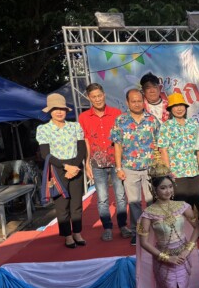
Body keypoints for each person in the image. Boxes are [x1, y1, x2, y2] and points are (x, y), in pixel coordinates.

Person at [79, 83, 130, 242]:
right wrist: (87, 164)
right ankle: (107, 228)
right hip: (96, 163)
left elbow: (122, 139)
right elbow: (86, 141)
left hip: (116, 162)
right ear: (89, 98)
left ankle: (123, 226)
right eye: (94, 97)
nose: (98, 99)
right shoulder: (83, 117)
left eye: (99, 96)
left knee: (120, 196)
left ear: (104, 95)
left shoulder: (116, 113)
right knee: (102, 198)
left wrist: (123, 163)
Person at [111, 89, 160, 245]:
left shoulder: (152, 120)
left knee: (152, 201)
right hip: (129, 167)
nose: (137, 104)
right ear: (127, 102)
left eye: (139, 101)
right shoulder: (120, 121)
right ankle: (138, 232)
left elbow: (160, 144)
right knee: (134, 202)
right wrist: (119, 168)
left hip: (150, 168)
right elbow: (117, 145)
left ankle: (153, 230)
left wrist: (161, 165)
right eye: (133, 101)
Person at [37, 93, 86, 248]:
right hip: (57, 168)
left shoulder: (75, 126)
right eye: (55, 108)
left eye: (62, 108)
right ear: (50, 111)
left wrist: (74, 167)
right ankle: (67, 235)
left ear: (66, 110)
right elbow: (45, 154)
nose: (59, 112)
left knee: (76, 203)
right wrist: (66, 167)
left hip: (76, 166)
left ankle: (77, 232)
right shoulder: (43, 129)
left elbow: (82, 149)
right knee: (62, 205)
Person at [158, 92, 199, 214]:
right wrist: (168, 172)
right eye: (175, 106)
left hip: (194, 171)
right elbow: (163, 150)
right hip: (177, 173)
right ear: (170, 109)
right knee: (181, 204)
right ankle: (183, 225)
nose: (179, 109)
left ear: (186, 107)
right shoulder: (166, 126)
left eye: (181, 105)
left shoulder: (193, 124)